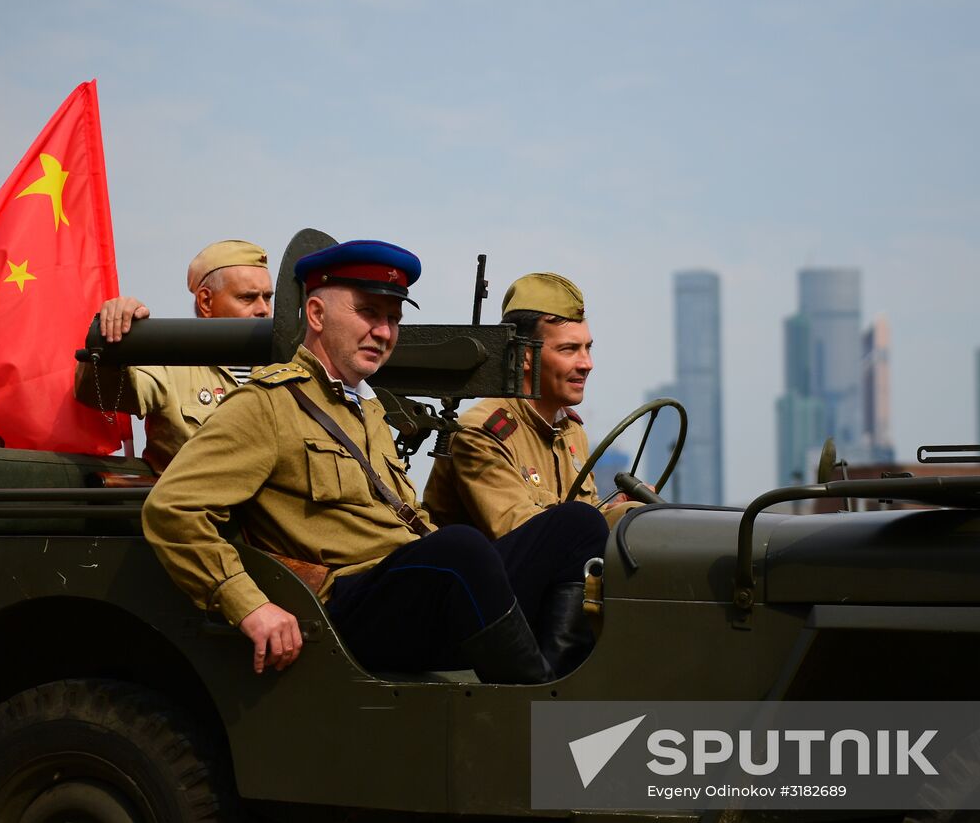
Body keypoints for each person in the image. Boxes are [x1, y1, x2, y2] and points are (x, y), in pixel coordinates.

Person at [142, 240, 608, 683]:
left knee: (577, 526)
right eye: (367, 313)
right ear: (317, 314)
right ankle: (529, 706)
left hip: (410, 584)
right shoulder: (267, 405)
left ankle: (556, 684)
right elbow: (172, 509)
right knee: (461, 550)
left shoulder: (367, 407)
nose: (383, 331)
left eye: (392, 317)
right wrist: (247, 604)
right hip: (349, 603)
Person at [424, 271, 641, 538]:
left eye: (588, 348)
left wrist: (622, 512)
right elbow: (525, 536)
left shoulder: (571, 431)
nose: (587, 364)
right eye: (569, 349)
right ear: (525, 356)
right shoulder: (481, 435)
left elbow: (581, 520)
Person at [73, 239, 274, 472]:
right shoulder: (171, 363)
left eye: (267, 297)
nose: (264, 309)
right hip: (197, 506)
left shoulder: (283, 368)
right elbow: (105, 394)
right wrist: (114, 338)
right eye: (247, 298)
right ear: (206, 302)